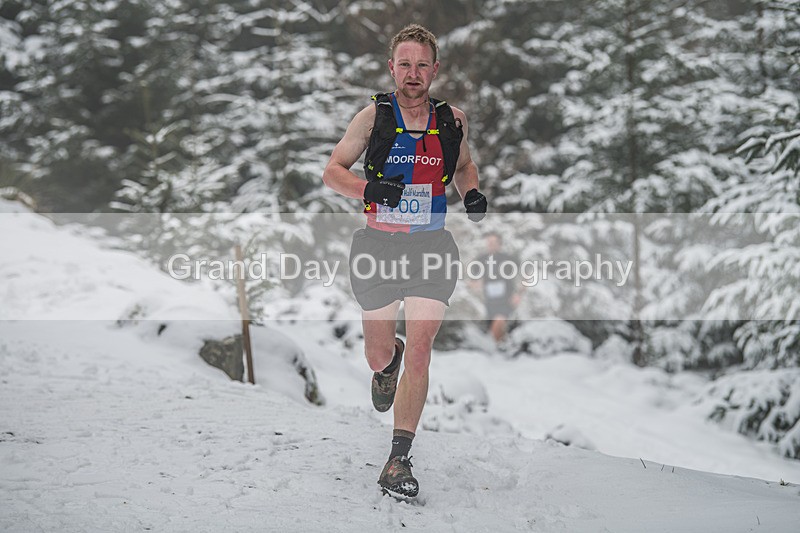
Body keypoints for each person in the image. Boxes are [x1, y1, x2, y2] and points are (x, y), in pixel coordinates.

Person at [322, 24, 487, 499]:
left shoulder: (452, 119)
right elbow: (333, 171)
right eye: (405, 64)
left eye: (422, 65)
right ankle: (385, 360)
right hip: (378, 246)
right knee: (380, 354)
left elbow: (463, 166)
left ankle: (398, 458)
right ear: (392, 67)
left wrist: (471, 193)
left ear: (434, 70)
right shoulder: (373, 117)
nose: (413, 73)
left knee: (422, 347)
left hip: (430, 247)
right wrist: (368, 189)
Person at [475, 232, 521, 344]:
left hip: (506, 300)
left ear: (499, 244)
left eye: (494, 242)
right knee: (492, 328)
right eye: (489, 242)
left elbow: (525, 276)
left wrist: (518, 294)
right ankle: (499, 347)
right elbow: (473, 280)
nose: (491, 244)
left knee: (500, 321)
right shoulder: (480, 260)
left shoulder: (508, 259)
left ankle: (501, 347)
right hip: (488, 301)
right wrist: (475, 286)